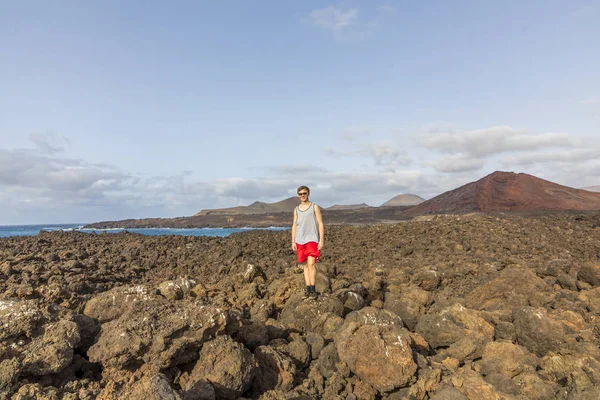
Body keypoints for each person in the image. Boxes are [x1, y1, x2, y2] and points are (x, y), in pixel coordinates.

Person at [291, 185, 324, 300]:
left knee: (311, 264)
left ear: (308, 194)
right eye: (300, 194)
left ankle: (313, 290)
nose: (302, 196)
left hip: (312, 239)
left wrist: (321, 240)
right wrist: (293, 241)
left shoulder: (314, 207)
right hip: (300, 240)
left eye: (304, 193)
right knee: (305, 265)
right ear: (298, 195)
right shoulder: (296, 210)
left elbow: (320, 223)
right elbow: (294, 225)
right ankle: (308, 289)